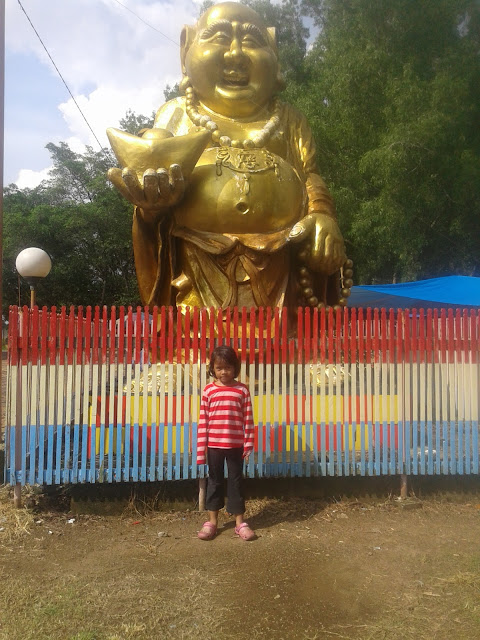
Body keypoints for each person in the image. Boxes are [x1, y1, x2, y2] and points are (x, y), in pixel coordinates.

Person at [107, 2, 350, 313]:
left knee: (288, 335)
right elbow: (157, 167)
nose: (236, 54)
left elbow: (309, 175)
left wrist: (323, 215)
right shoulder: (177, 112)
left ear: (274, 54)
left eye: (251, 40)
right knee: (197, 337)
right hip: (197, 266)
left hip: (281, 264)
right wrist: (152, 206)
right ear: (186, 48)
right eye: (219, 37)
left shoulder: (289, 120)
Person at [196, 345, 255, 541]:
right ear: (213, 368)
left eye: (228, 367)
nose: (224, 372)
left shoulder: (242, 390)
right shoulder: (208, 391)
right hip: (214, 447)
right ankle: (212, 522)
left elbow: (248, 419)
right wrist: (200, 451)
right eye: (219, 368)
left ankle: (240, 523)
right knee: (214, 481)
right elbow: (203, 422)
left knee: (236, 482)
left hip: (236, 446)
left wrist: (248, 444)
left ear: (235, 368)